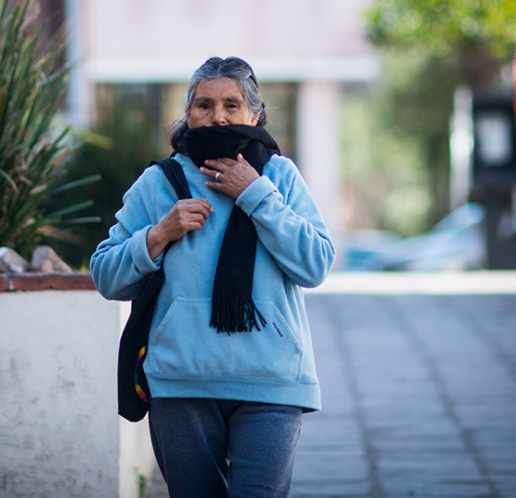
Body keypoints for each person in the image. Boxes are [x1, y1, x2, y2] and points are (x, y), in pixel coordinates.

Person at [91, 56, 335, 498]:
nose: (217, 116)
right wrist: (159, 234)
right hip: (182, 380)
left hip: (271, 380)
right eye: (204, 105)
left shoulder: (279, 176)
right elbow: (106, 275)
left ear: (255, 114)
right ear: (188, 113)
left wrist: (257, 195)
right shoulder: (158, 183)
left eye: (231, 104)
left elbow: (315, 264)